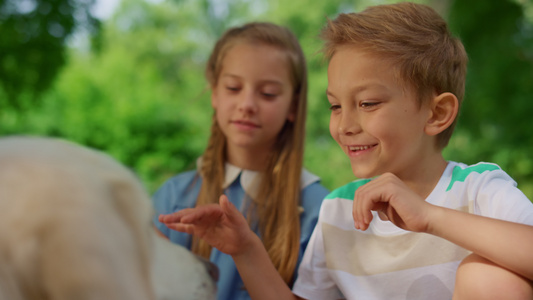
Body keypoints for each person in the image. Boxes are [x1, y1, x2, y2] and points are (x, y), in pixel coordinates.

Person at [159, 2, 533, 300]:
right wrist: (246, 251)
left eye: (368, 103)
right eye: (337, 106)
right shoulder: (337, 210)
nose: (345, 125)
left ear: (437, 113)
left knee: (488, 279)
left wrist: (430, 216)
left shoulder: (478, 189)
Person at [152, 21, 330, 300]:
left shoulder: (322, 213)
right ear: (214, 93)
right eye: (233, 87)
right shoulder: (173, 197)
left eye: (268, 93)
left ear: (294, 106)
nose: (247, 104)